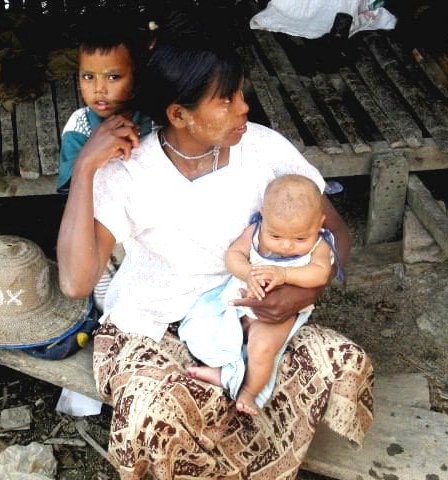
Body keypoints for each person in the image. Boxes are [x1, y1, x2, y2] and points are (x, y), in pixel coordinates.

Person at [57, 9, 373, 478]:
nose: (244, 107)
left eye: (240, 93)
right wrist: (84, 169)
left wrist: (306, 291)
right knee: (157, 413)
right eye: (226, 99)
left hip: (241, 318)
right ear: (178, 114)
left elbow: (337, 232)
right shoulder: (129, 171)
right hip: (152, 327)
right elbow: (75, 281)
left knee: (339, 360)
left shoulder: (263, 149)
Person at [180, 173, 340, 415]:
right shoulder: (255, 232)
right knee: (210, 329)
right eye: (275, 235)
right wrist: (248, 272)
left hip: (277, 316)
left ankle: (247, 391)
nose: (286, 245)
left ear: (319, 224)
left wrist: (285, 275)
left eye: (299, 238)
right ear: (263, 216)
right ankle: (223, 371)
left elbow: (319, 274)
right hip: (238, 303)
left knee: (262, 349)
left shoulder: (319, 245)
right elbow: (233, 256)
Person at [56, 7, 154, 311]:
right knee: (108, 299)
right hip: (100, 228)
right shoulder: (80, 126)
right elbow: (76, 195)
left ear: (136, 77)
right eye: (88, 77)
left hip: (145, 223)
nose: (99, 88)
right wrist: (96, 157)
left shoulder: (151, 122)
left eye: (113, 76)